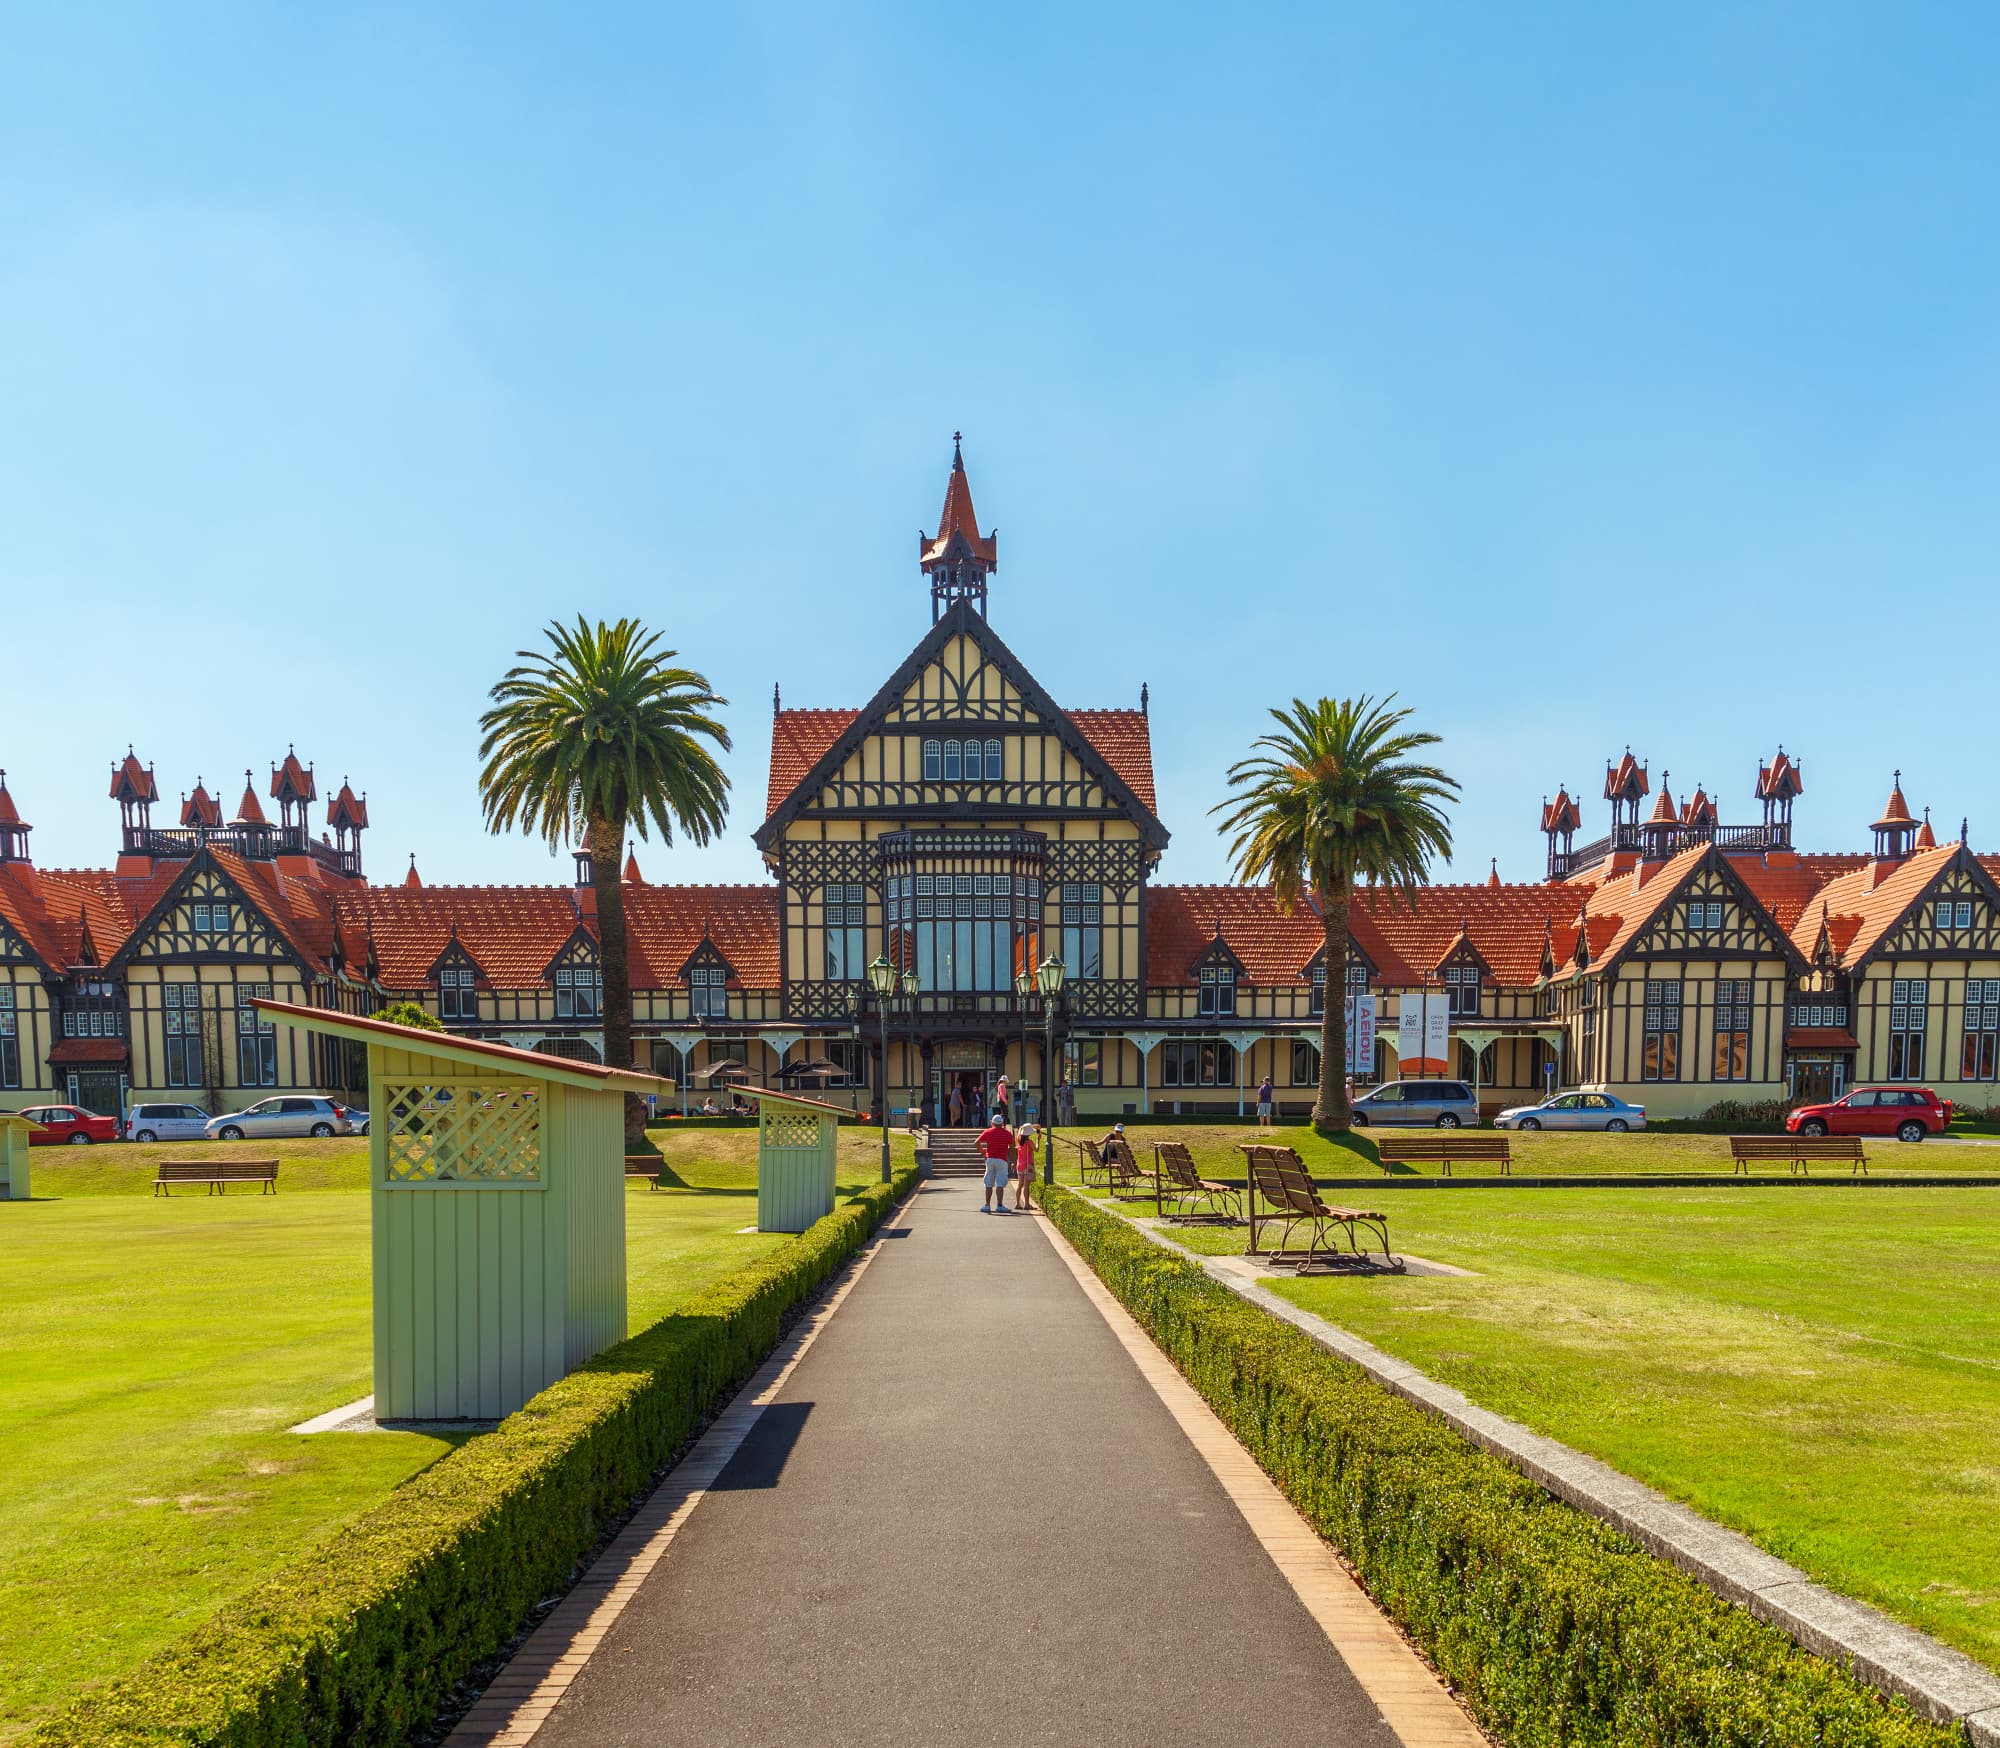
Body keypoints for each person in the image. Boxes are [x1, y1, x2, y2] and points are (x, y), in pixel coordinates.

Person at [978, 1111, 1015, 1213]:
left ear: (992, 1123)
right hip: (1002, 1160)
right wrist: (1014, 1162)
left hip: (990, 1159)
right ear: (1002, 1123)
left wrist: (983, 1152)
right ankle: (999, 1205)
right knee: (1000, 1183)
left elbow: (976, 1142)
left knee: (989, 1182)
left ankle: (987, 1205)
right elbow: (1012, 1148)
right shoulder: (1007, 1133)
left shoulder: (988, 1132)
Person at [1014, 1120, 1038, 1210]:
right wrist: (1038, 1140)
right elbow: (1036, 1149)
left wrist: (1025, 1127)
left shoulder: (1019, 1139)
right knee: (1026, 1186)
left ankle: (1017, 1203)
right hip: (1027, 1165)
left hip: (1019, 1165)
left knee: (1020, 1185)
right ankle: (1027, 1204)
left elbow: (1020, 1129)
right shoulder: (1029, 1142)